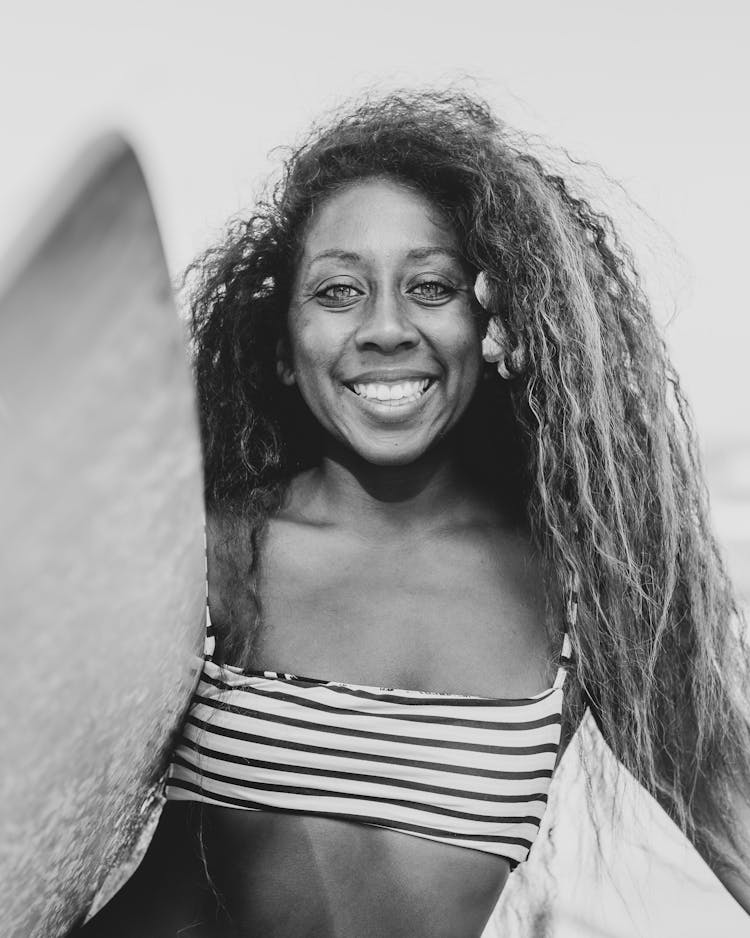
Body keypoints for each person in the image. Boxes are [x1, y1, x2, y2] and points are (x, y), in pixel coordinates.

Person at [78, 89, 750, 937]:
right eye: (338, 292)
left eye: (431, 287)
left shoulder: (584, 598)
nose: (386, 326)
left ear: (494, 323)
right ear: (282, 346)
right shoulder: (211, 553)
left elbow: (733, 819)